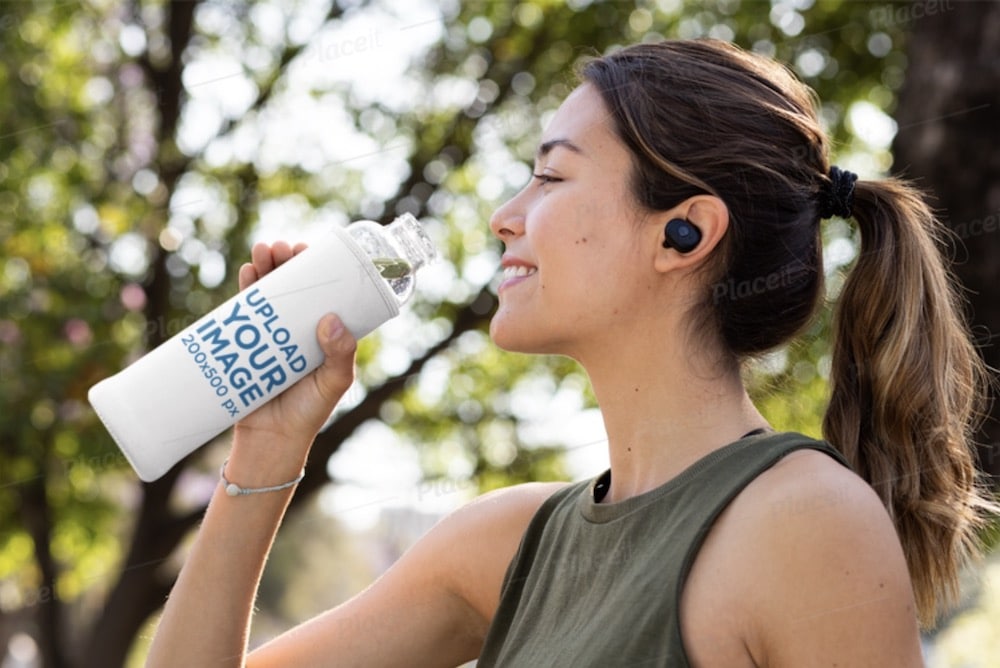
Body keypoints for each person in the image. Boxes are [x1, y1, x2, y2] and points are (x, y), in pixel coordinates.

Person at [147, 39, 995, 667]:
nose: (505, 216)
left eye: (550, 177)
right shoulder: (502, 543)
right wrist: (267, 447)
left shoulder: (807, 526)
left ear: (684, 231)